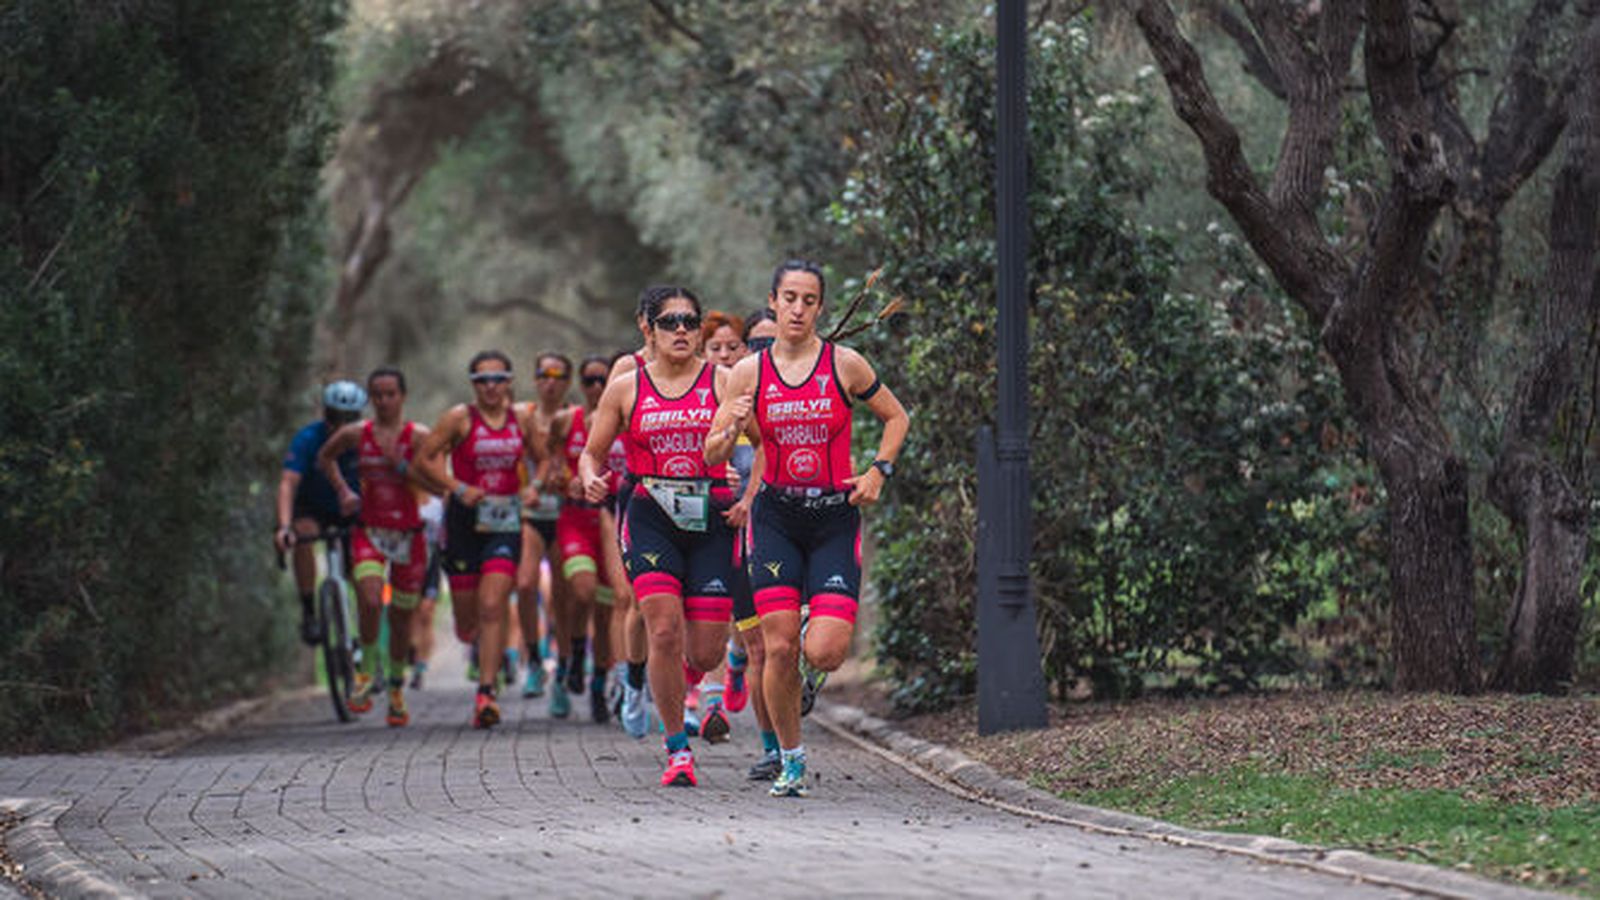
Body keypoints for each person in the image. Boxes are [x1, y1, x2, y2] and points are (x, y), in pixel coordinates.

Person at [706, 260, 910, 797]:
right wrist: (730, 427)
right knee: (776, 650)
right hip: (776, 517)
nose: (798, 309)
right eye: (789, 298)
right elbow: (712, 451)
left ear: (820, 307)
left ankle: (807, 650)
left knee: (825, 652)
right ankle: (790, 760)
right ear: (773, 302)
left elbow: (897, 417)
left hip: (834, 518)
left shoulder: (845, 364)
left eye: (809, 300)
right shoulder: (748, 372)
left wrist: (878, 472)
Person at [580, 285, 757, 786]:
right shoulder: (626, 386)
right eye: (669, 322)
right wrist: (590, 476)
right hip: (650, 515)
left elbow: (763, 446)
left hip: (711, 520)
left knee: (704, 653)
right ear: (649, 330)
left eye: (689, 322)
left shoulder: (724, 380)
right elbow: (592, 452)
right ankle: (678, 749)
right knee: (662, 629)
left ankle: (686, 679)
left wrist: (747, 495)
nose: (681, 330)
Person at [413, 350, 537, 729]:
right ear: (473, 384)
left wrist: (535, 487)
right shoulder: (459, 418)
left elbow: (546, 457)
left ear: (509, 382)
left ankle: (486, 693)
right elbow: (423, 460)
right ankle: (478, 645)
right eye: (483, 380)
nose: (491, 386)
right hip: (463, 522)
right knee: (468, 621)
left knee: (492, 604)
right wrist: (455, 487)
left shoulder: (521, 419)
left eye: (498, 379)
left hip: (504, 522)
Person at [317, 367, 431, 726]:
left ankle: (395, 688)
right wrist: (344, 491)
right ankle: (366, 671)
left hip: (409, 535)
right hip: (369, 530)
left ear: (403, 397)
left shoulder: (419, 437)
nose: (383, 401)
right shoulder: (357, 433)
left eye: (390, 394)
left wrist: (404, 467)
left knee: (400, 618)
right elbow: (325, 457)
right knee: (368, 598)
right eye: (377, 395)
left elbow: (438, 482)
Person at [545, 355, 622, 721]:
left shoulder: (628, 418)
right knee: (582, 589)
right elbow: (551, 466)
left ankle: (599, 684)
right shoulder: (566, 421)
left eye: (601, 380)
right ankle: (576, 651)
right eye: (588, 380)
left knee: (606, 614)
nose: (595, 387)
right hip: (575, 520)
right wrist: (562, 479)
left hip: (612, 521)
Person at [275, 380, 367, 645]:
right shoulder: (307, 439)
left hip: (351, 508)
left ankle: (365, 631)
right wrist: (284, 527)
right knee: (303, 534)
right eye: (334, 417)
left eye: (348, 418)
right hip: (312, 506)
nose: (340, 425)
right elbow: (288, 483)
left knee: (360, 564)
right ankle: (309, 612)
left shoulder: (367, 439)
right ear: (325, 414)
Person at [515, 352, 574, 698]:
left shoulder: (573, 418)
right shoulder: (523, 415)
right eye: (544, 375)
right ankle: (535, 660)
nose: (550, 382)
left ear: (567, 381)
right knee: (525, 584)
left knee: (562, 597)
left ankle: (563, 669)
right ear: (535, 378)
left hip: (566, 513)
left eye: (557, 375)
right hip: (531, 514)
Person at [409, 494, 446, 689]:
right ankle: (413, 652)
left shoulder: (437, 504)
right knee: (411, 613)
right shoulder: (405, 499)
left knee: (426, 612)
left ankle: (421, 666)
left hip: (431, 564)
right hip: (408, 564)